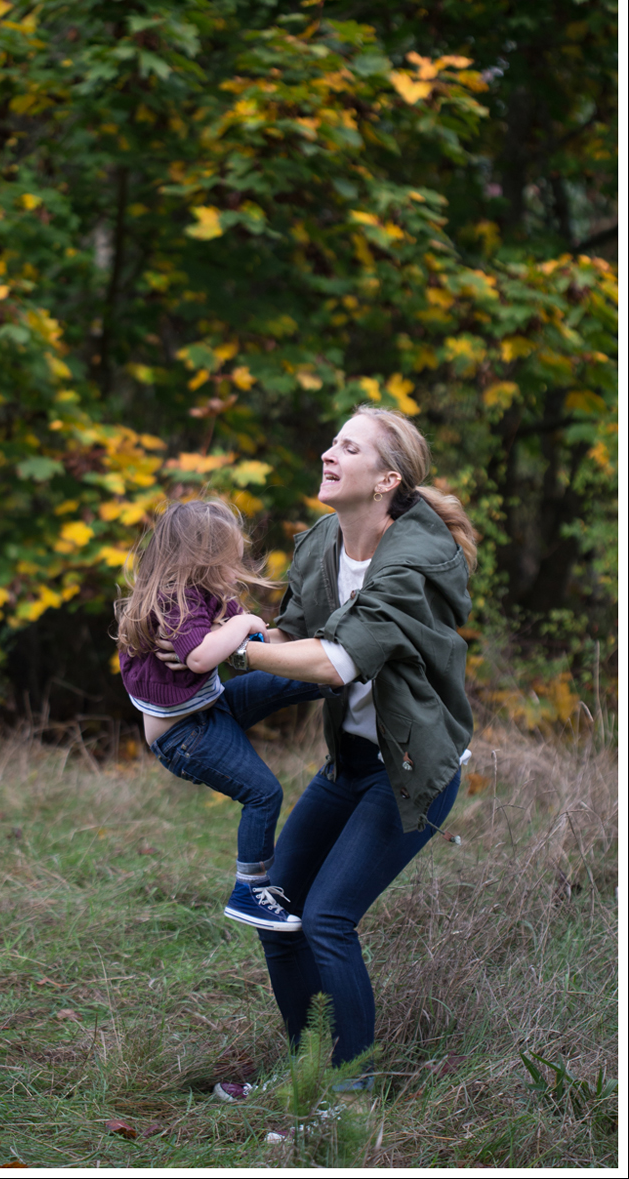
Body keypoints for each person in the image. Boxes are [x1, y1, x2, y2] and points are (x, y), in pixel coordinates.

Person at [156, 406, 476, 1098]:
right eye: (332, 441)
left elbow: (335, 662)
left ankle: (350, 1094)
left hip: (409, 772)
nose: (329, 453)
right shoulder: (323, 542)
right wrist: (185, 686)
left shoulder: (416, 561)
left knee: (328, 918)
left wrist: (233, 649)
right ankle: (306, 1074)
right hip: (348, 765)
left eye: (349, 448)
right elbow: (292, 638)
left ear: (387, 479)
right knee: (276, 911)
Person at [116, 498, 324, 932]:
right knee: (263, 793)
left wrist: (244, 628)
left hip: (212, 707)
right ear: (201, 561)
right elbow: (200, 657)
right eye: (231, 560)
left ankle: (370, 693)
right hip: (184, 737)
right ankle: (249, 891)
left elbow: (252, 643)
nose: (238, 569)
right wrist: (240, 625)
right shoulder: (174, 600)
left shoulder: (209, 596)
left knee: (301, 678)